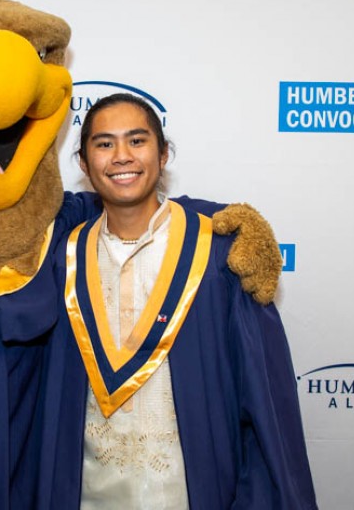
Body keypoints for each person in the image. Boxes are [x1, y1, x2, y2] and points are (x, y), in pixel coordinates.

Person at [38, 93, 318, 509]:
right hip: (87, 489)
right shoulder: (64, 253)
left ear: (163, 153)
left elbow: (260, 396)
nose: (121, 157)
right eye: (104, 144)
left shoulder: (217, 252)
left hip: (191, 488)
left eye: (137, 141)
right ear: (83, 163)